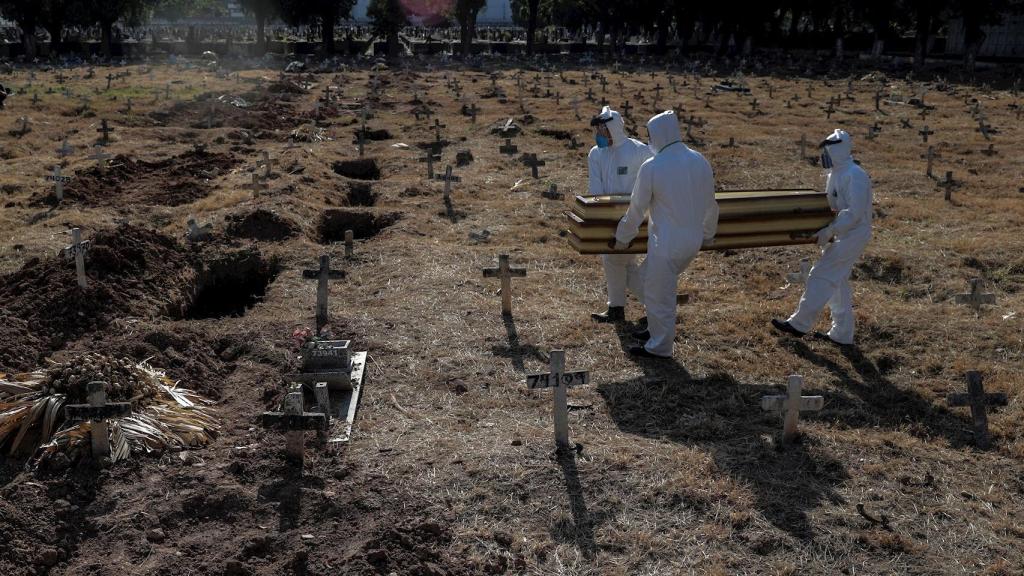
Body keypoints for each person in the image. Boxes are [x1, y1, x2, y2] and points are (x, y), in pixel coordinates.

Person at [614, 111, 719, 358]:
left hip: (666, 242)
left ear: (658, 134)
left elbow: (636, 208)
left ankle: (660, 347)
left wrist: (623, 236)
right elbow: (710, 203)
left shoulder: (653, 166)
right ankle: (654, 329)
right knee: (645, 278)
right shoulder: (699, 160)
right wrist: (708, 233)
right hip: (691, 240)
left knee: (660, 295)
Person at [772, 129, 872, 346]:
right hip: (841, 234)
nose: (823, 156)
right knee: (837, 283)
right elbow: (831, 206)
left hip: (853, 235)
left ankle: (799, 324)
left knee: (820, 275)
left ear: (837, 150)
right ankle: (842, 334)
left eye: (827, 151)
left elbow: (853, 214)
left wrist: (830, 231)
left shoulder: (855, 175)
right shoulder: (835, 174)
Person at [588, 106, 654, 323]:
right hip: (608, 218)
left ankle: (657, 305)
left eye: (602, 129)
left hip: (636, 216)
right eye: (597, 130)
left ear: (613, 128)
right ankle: (629, 307)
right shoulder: (596, 153)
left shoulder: (639, 151)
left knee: (617, 261)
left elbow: (653, 179)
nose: (599, 134)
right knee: (617, 261)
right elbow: (595, 190)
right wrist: (599, 216)